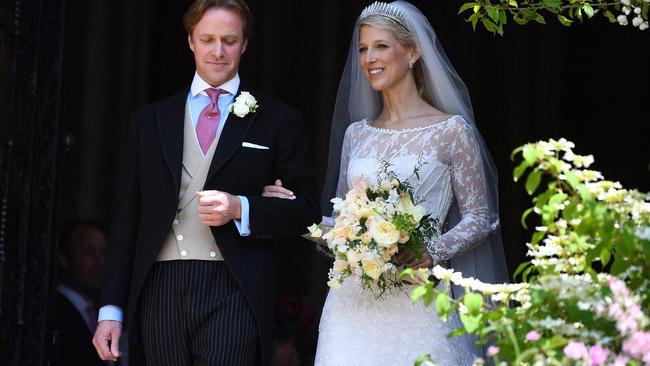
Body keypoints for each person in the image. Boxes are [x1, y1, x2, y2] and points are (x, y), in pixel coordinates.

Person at [263, 2, 508, 365]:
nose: (368, 58)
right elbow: (343, 222)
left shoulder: (451, 130)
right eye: (363, 48)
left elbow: (478, 216)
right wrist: (292, 210)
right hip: (351, 307)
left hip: (417, 300)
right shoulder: (356, 135)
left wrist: (432, 250)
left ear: (412, 52)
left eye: (380, 46)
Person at [91, 0, 321, 365]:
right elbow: (127, 219)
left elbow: (306, 210)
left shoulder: (277, 119)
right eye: (207, 39)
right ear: (190, 42)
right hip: (159, 284)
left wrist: (241, 206)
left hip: (234, 285)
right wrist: (110, 311)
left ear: (244, 44)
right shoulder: (150, 121)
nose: (218, 51)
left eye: (229, 40)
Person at [54, 222, 107, 366]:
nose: (100, 261)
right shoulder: (51, 310)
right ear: (64, 258)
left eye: (103, 252)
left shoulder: (104, 310)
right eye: (88, 252)